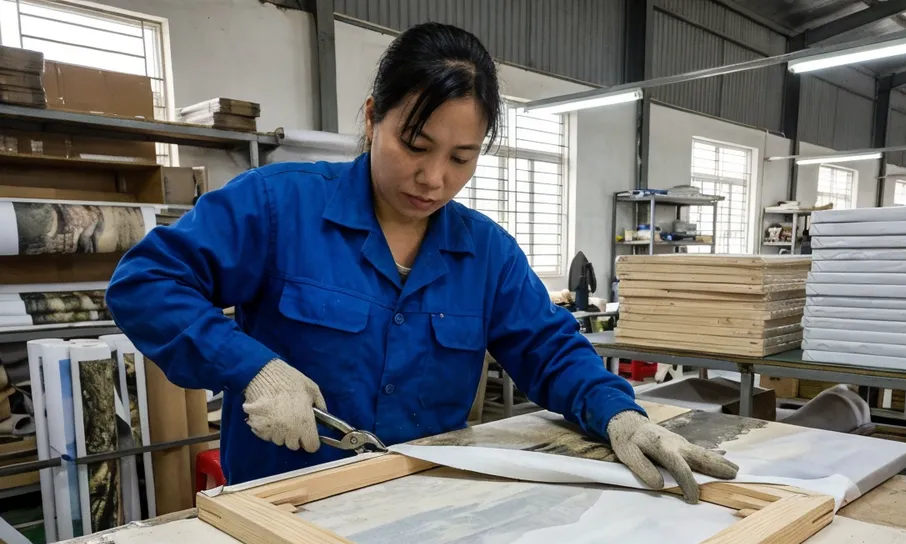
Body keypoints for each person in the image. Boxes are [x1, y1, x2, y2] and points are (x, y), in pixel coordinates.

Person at [106, 22, 737, 502]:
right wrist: (254, 368)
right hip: (286, 507)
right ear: (373, 117)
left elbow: (549, 348)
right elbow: (145, 283)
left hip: (421, 503)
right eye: (416, 145)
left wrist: (619, 412)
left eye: (461, 158)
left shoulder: (484, 252)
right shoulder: (278, 205)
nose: (434, 178)